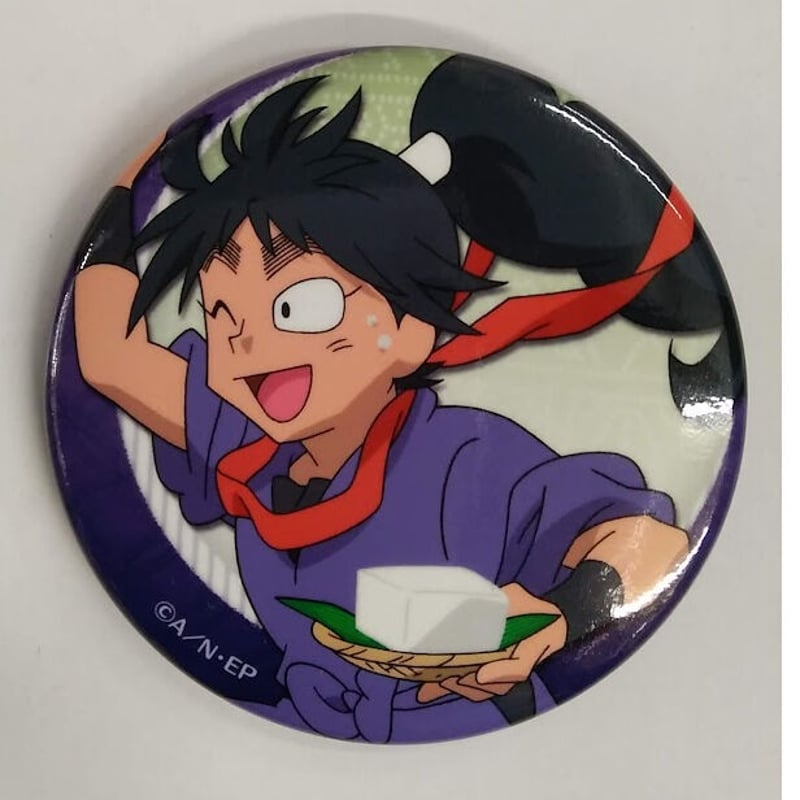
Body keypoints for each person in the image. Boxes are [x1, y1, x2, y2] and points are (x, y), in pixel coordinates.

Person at [73, 56, 729, 742]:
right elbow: (111, 356)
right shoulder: (252, 446)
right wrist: (139, 175)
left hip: (483, 736)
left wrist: (561, 616)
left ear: (412, 328)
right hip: (291, 736)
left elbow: (651, 541)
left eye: (298, 306)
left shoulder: (466, 461)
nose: (248, 343)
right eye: (221, 313)